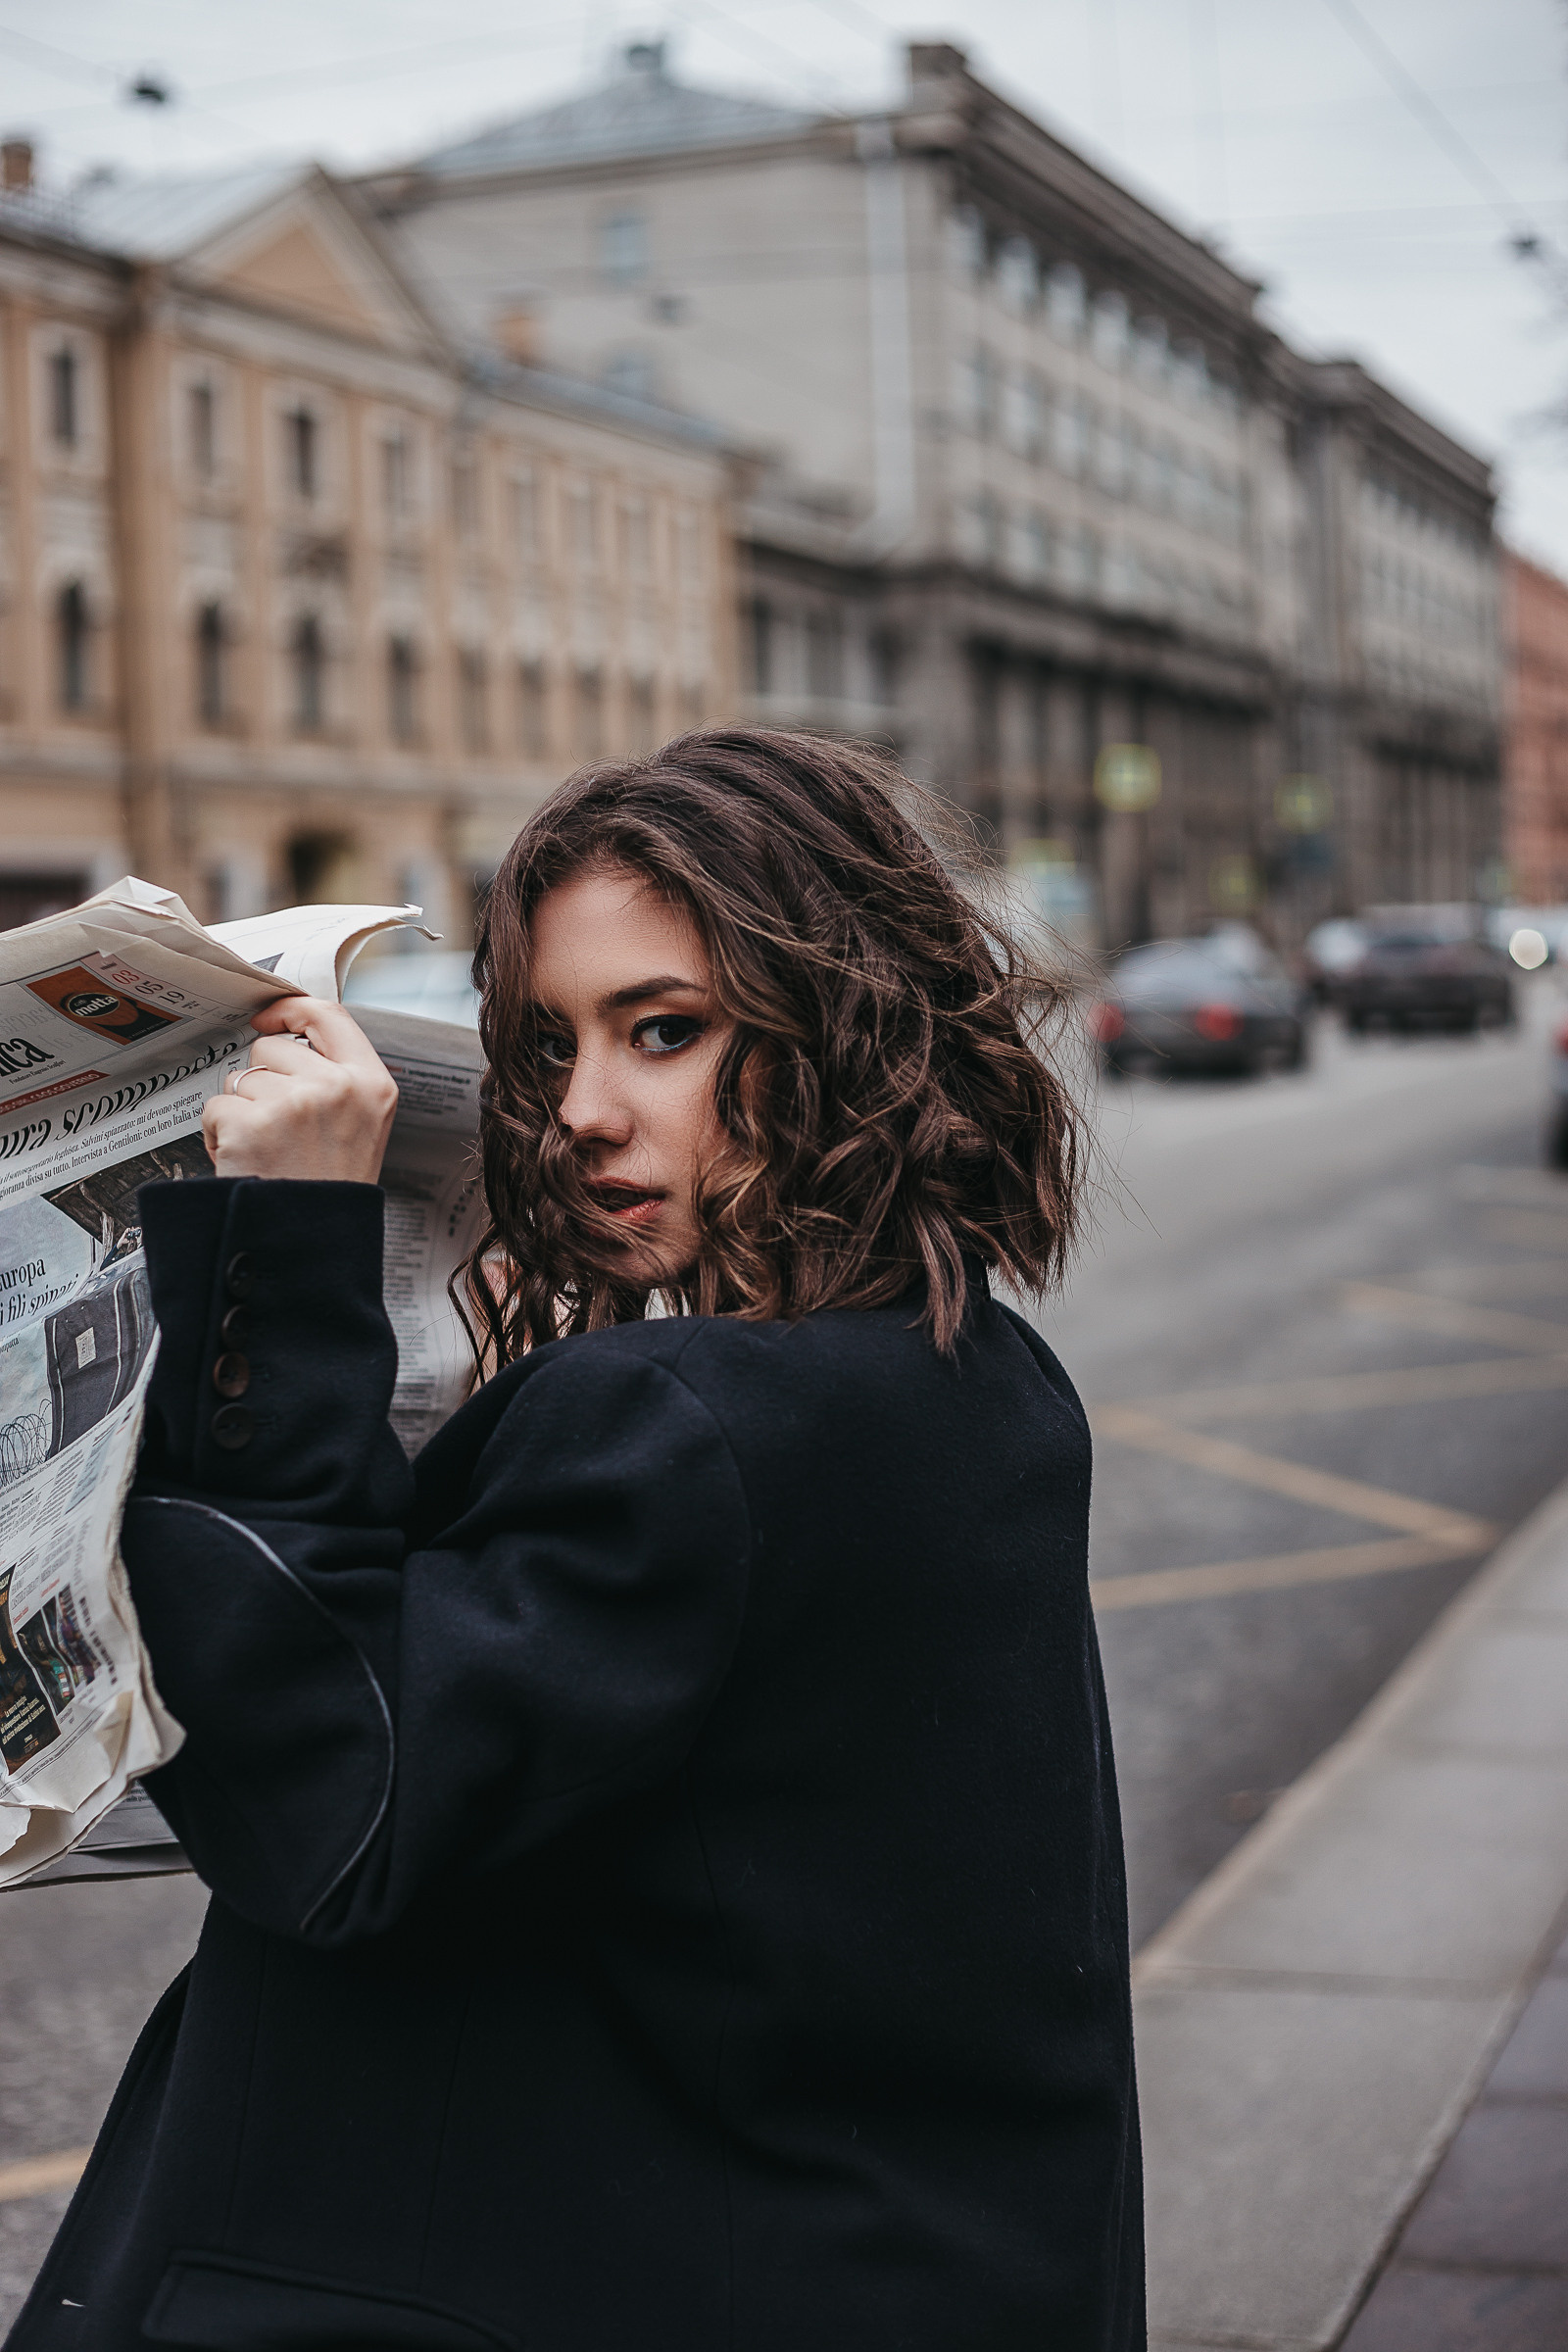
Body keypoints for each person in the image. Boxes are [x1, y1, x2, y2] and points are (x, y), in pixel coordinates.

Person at [10, 729, 1144, 2352]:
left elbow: (330, 1807)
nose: (587, 1116)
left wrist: (280, 1245)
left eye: (665, 1032)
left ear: (848, 1023)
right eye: (548, 1050)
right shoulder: (977, 1382)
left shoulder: (688, 1419)